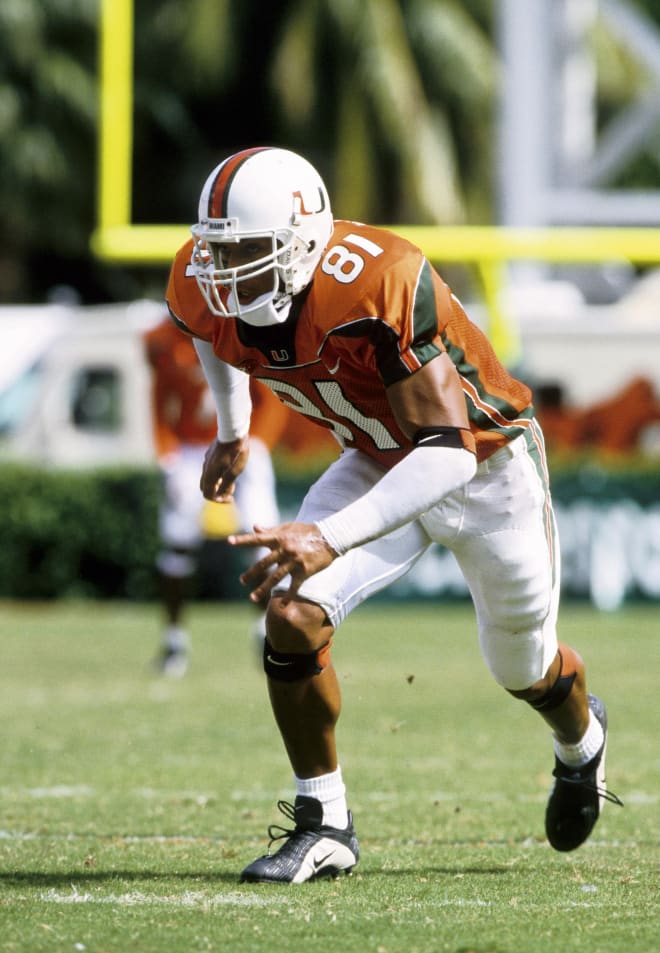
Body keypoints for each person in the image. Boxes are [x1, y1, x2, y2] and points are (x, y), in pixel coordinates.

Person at [165, 146, 622, 882]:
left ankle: (582, 742)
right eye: (218, 252)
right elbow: (208, 330)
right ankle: (325, 824)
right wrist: (231, 426)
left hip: (486, 467)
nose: (224, 273)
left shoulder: (381, 279)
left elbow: (449, 454)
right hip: (377, 457)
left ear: (304, 237)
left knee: (523, 666)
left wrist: (327, 533)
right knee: (291, 615)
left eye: (248, 252)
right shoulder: (199, 278)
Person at [144, 317, 282, 676]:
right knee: (177, 545)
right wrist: (168, 456)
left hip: (244, 445)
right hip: (193, 450)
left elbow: (271, 399)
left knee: (263, 538)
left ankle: (267, 634)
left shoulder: (246, 332)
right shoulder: (172, 342)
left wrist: (259, 443)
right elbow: (160, 401)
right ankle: (174, 641)